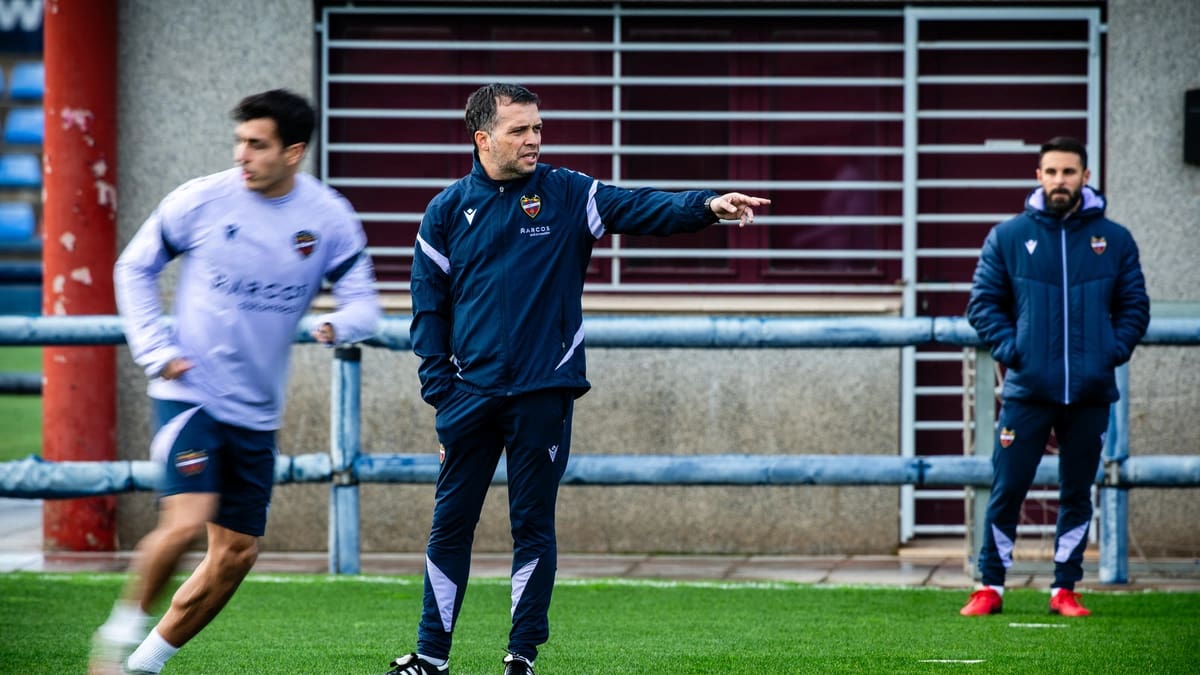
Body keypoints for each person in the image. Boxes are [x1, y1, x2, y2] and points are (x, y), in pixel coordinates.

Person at [382, 83, 769, 675]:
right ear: (483, 139)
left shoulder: (568, 193)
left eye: (538, 127)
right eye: (519, 130)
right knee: (449, 527)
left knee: (532, 525)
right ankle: (431, 657)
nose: (535, 138)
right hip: (468, 400)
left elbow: (641, 206)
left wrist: (708, 205)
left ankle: (521, 655)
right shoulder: (444, 213)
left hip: (544, 393)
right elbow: (427, 310)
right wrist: (442, 394)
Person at [90, 89, 381, 674]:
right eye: (239, 142)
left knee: (237, 554)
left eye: (257, 144)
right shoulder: (201, 200)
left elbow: (365, 307)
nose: (241, 154)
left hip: (257, 413)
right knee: (189, 518)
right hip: (188, 393)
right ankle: (116, 636)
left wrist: (334, 323)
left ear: (293, 152)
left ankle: (142, 667)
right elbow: (134, 265)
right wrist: (155, 348)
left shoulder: (327, 218)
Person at [960, 136, 1149, 618]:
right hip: (1028, 389)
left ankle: (1064, 586)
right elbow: (982, 306)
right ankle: (991, 586)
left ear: (1085, 177)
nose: (1059, 181)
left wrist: (1111, 350)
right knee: (1007, 490)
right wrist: (1013, 351)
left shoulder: (1115, 240)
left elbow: (1134, 307)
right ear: (1038, 177)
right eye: (1051, 172)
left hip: (1089, 392)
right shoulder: (1007, 237)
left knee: (1076, 493)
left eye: (1069, 172)